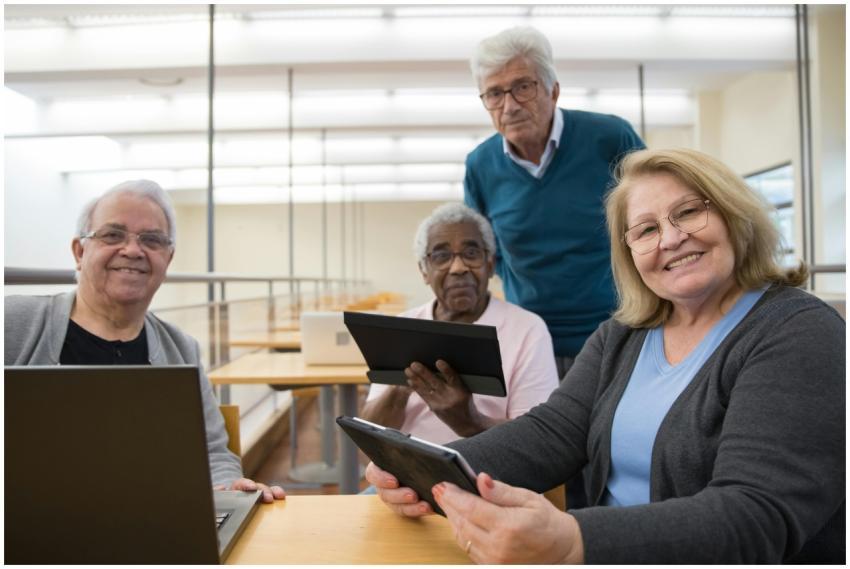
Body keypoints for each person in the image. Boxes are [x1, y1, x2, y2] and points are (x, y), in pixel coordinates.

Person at [365, 148, 845, 563]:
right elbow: (550, 434)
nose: (670, 239)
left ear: (734, 215)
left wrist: (575, 539)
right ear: (629, 251)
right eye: (646, 229)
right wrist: (421, 468)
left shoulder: (799, 334)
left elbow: (755, 514)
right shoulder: (623, 335)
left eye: (688, 212)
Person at [4, 180, 286, 503]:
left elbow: (212, 454)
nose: (133, 250)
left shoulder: (181, 350)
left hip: (152, 523)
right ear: (80, 252)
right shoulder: (13, 325)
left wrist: (230, 488)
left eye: (151, 240)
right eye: (113, 235)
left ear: (167, 259)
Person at [464, 25, 645, 379]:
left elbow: (656, 219)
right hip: (531, 343)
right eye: (495, 94)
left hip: (620, 333)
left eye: (523, 87)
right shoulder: (480, 166)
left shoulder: (610, 138)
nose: (509, 106)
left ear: (554, 90)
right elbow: (485, 252)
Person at [361, 203, 558, 444]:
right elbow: (369, 435)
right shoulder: (403, 326)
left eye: (471, 253)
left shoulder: (527, 330)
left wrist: (471, 421)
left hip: (483, 467)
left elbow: (535, 440)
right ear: (424, 270)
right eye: (441, 256)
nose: (458, 267)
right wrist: (401, 386)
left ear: (490, 264)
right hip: (404, 465)